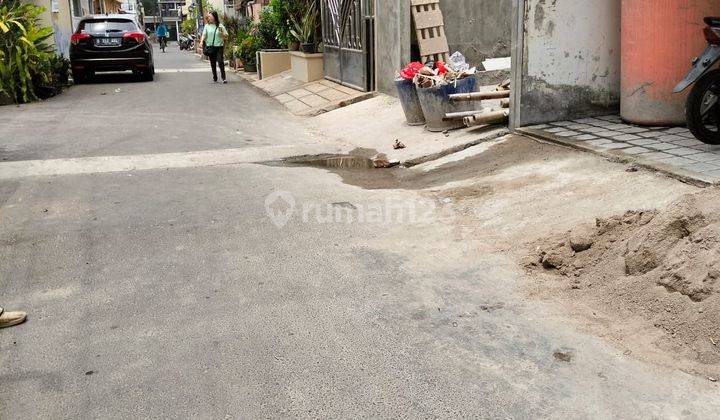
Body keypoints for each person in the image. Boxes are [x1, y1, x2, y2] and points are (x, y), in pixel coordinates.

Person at [200, 11, 228, 84]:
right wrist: (201, 41)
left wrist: (221, 33)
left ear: (215, 17)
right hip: (210, 47)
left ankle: (223, 77)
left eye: (211, 16)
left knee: (220, 62)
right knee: (213, 63)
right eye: (209, 17)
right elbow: (204, 35)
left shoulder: (220, 26)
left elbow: (226, 37)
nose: (209, 18)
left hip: (219, 47)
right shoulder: (207, 26)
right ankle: (215, 76)